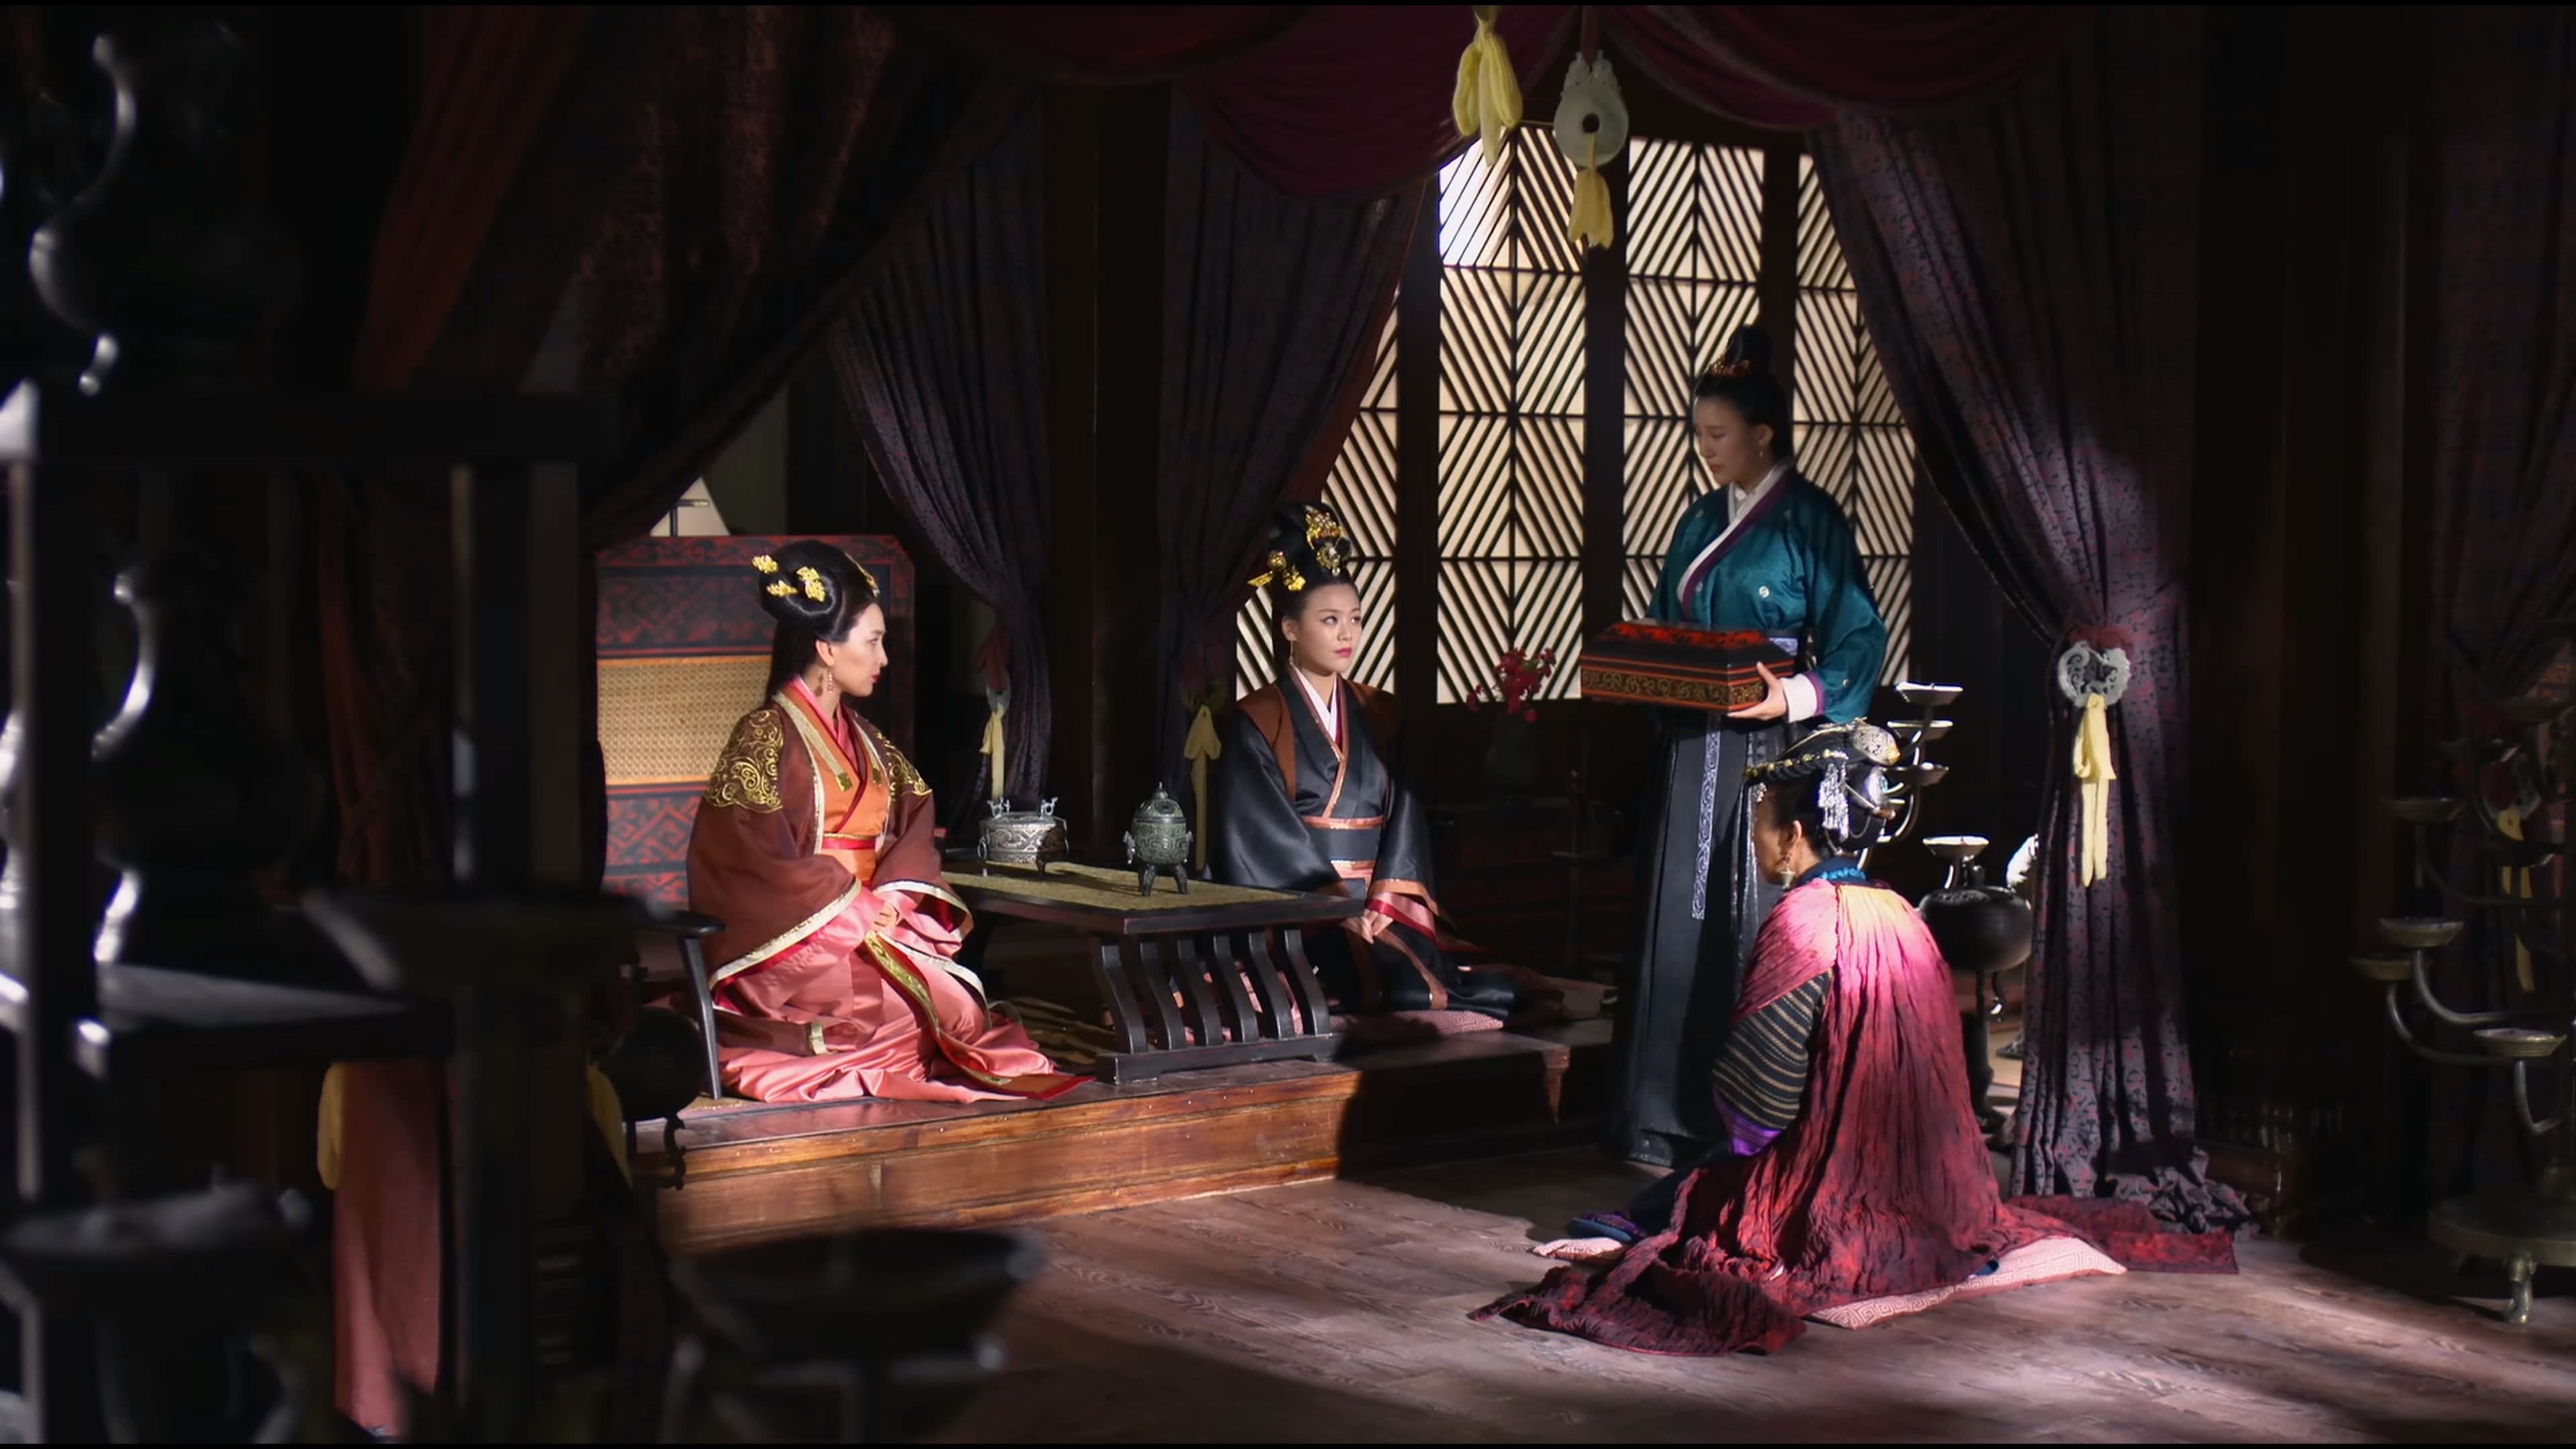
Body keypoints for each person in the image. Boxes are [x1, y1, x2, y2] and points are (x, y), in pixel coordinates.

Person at [1480, 724, 2120, 1354]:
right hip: (1941, 1189)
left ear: (1791, 836)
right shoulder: (1901, 910)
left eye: (1760, 821)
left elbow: (1758, 1103)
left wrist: (1741, 1150)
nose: (1753, 836)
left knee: (1665, 1209)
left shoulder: (1804, 919)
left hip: (1838, 1187)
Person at [1613, 325, 1888, 1168]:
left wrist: (1794, 696)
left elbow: (1859, 636)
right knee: (1678, 909)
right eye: (1699, 434)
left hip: (1774, 741)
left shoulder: (1813, 520)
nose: (1705, 450)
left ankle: (1752, 1120)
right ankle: (1660, 1118)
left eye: (1718, 434)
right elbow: (1665, 617)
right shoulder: (1701, 517)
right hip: (1692, 737)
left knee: (1750, 909)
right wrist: (1648, 669)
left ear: (1763, 435)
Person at [686, 541, 1080, 1103]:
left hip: (873, 916)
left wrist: (893, 894)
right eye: (872, 642)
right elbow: (745, 853)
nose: (884, 659)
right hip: (808, 933)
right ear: (827, 648)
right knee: (889, 1019)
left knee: (960, 1012)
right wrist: (853, 908)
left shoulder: (868, 739)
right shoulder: (765, 735)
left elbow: (914, 813)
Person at [1210, 502, 1527, 1020]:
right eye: (1329, 620)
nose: (1347, 635)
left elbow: (1404, 820)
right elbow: (1261, 838)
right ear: (1290, 629)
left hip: (1381, 906)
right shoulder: (1258, 720)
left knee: (1425, 986)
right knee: (1377, 987)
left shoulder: (1382, 713)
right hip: (1302, 910)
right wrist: (1334, 906)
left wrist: (1383, 901)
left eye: (1355, 620)